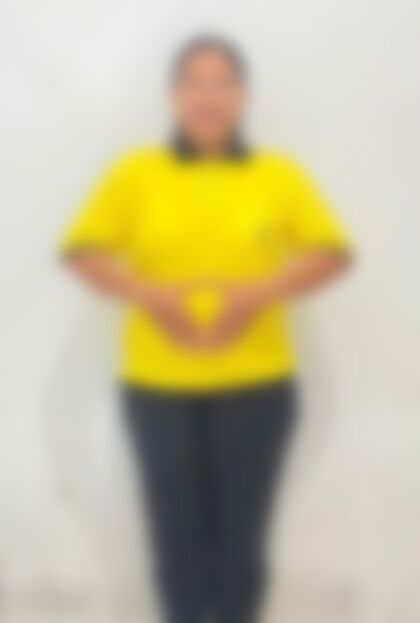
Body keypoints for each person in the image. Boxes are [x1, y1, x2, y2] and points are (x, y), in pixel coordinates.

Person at [60, 35, 352, 623]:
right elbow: (83, 251)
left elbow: (331, 253)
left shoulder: (278, 175)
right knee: (175, 539)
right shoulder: (136, 172)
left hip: (257, 385)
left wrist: (256, 295)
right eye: (193, 81)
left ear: (243, 96)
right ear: (173, 95)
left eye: (222, 82)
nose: (207, 95)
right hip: (157, 386)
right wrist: (151, 296)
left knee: (241, 540)